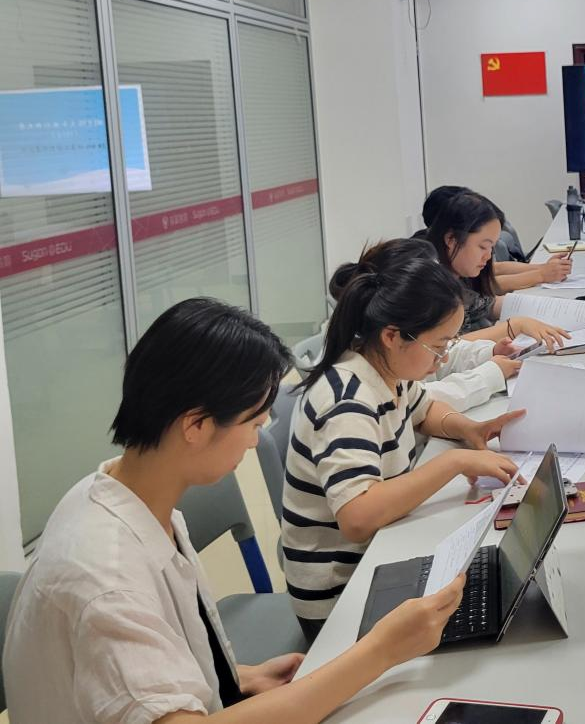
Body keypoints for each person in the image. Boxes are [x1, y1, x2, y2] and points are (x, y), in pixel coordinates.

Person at [2, 297, 468, 724]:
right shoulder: (107, 579)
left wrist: (234, 677)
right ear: (196, 425)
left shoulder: (117, 494)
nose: (254, 441)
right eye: (253, 423)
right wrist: (382, 651)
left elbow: (129, 669)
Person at [282, 239, 522, 638]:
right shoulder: (347, 401)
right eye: (439, 346)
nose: (443, 358)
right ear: (393, 336)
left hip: (379, 557)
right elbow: (358, 517)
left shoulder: (388, 371)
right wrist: (454, 462)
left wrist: (467, 429)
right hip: (341, 595)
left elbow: (425, 410)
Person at [327, 238, 521, 413]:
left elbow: (445, 354)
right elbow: (428, 400)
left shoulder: (394, 351)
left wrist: (489, 353)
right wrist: (490, 375)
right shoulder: (359, 389)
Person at [421, 188, 573, 350]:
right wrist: (513, 327)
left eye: (491, 247)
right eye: (482, 247)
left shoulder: (459, 272)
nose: (488, 256)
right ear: (451, 239)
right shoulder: (428, 285)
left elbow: (486, 305)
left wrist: (559, 310)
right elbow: (442, 348)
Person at [421, 185, 572, 291]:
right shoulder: (431, 275)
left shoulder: (459, 261)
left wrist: (542, 269)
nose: (488, 255)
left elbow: (494, 273)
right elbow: (492, 284)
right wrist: (541, 274)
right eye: (483, 247)